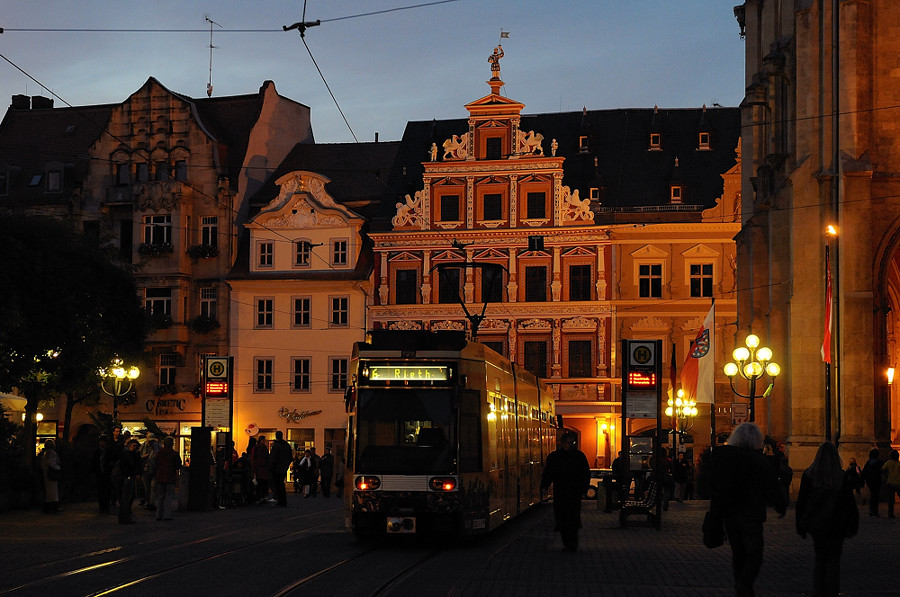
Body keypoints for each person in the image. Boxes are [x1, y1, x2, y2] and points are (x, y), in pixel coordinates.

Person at [709, 422, 786, 597]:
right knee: (755, 554)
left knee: (738, 553)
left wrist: (716, 511)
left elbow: (715, 485)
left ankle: (742, 587)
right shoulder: (758, 460)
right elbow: (771, 485)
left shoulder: (724, 458)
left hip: (730, 514)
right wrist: (780, 504)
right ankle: (744, 584)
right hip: (751, 514)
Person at [795, 442, 859, 597]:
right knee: (834, 561)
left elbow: (801, 502)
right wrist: (853, 525)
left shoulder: (809, 475)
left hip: (818, 525)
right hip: (837, 525)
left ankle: (819, 591)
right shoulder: (841, 476)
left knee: (820, 559)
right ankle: (832, 592)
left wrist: (800, 525)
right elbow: (849, 503)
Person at [540, 431, 590, 552]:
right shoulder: (556, 457)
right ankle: (568, 542)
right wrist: (544, 485)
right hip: (561, 493)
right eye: (569, 442)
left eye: (573, 442)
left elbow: (585, 473)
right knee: (562, 518)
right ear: (563, 443)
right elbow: (548, 473)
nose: (571, 445)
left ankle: (572, 543)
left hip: (573, 493)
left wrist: (584, 488)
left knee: (573, 518)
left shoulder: (578, 456)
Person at [153, 436, 181, 521]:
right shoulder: (174, 454)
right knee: (169, 496)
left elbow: (155, 464)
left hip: (160, 477)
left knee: (160, 496)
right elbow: (178, 465)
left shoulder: (159, 454)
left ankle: (158, 514)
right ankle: (167, 515)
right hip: (170, 477)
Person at [117, 439, 141, 524]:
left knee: (126, 498)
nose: (134, 448)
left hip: (126, 476)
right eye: (133, 446)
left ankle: (125, 517)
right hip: (127, 477)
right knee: (126, 498)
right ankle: (125, 517)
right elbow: (132, 465)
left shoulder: (127, 453)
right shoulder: (127, 454)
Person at [268, 431, 293, 507]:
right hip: (283, 468)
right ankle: (282, 500)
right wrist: (286, 466)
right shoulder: (287, 445)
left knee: (277, 485)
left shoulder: (276, 446)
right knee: (281, 484)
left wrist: (270, 467)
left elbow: (273, 458)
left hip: (276, 468)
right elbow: (290, 457)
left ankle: (280, 500)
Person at [92, 434, 115, 514]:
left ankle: (106, 507)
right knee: (101, 491)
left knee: (106, 491)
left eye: (102, 442)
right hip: (100, 473)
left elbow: (112, 461)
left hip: (106, 473)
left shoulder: (108, 451)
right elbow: (94, 462)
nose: (101, 443)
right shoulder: (97, 451)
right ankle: (102, 507)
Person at [139, 433, 160, 510]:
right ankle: (148, 501)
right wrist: (142, 457)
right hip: (145, 469)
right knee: (147, 487)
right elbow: (138, 456)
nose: (151, 442)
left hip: (154, 468)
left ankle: (151, 502)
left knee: (153, 486)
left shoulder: (157, 446)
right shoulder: (143, 446)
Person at [40, 439, 62, 513]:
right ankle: (53, 506)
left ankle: (48, 506)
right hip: (52, 473)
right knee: (53, 491)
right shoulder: (52, 453)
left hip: (46, 473)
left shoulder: (45, 453)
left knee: (49, 491)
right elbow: (52, 462)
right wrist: (58, 468)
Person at [250, 435, 272, 504]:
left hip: (263, 468)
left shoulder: (264, 448)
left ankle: (263, 496)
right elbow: (253, 459)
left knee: (264, 483)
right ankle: (260, 496)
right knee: (260, 483)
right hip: (259, 468)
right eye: (262, 440)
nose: (263, 441)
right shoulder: (256, 448)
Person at [861, 448, 881, 517]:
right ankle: (874, 511)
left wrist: (863, 479)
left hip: (870, 481)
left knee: (873, 495)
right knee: (875, 496)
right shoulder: (879, 462)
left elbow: (864, 472)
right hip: (876, 481)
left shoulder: (868, 462)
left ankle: (872, 510)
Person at [883, 450, 900, 519]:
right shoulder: (899, 464)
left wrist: (886, 475)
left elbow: (883, 469)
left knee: (891, 500)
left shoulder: (888, 463)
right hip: (898, 483)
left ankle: (890, 514)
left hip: (890, 483)